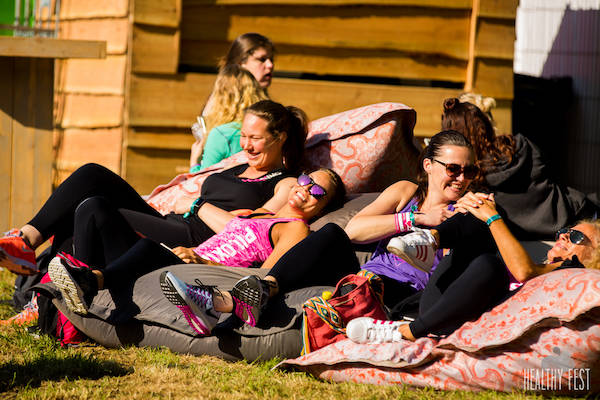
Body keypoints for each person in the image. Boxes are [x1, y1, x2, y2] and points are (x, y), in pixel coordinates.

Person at [162, 131, 479, 333]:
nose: (461, 178)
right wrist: (415, 220)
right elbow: (354, 230)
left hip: (397, 293)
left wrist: (447, 228)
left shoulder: (466, 215)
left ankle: (216, 302)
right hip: (357, 277)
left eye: (470, 171)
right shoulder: (407, 193)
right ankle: (258, 290)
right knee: (331, 234)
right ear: (428, 165)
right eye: (453, 169)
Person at [0, 100, 307, 276]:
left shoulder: (284, 182)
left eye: (256, 138)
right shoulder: (237, 166)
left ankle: (45, 292)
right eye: (244, 135)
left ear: (280, 137)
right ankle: (25, 240)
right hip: (174, 223)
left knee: (93, 207)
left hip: (196, 241)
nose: (246, 145)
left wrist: (200, 206)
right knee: (91, 175)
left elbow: (255, 228)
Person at [47, 169, 344, 324]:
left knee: (150, 249)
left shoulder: (296, 228)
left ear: (322, 208)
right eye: (305, 180)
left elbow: (265, 273)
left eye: (317, 192)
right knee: (93, 206)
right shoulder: (260, 215)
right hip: (182, 257)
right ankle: (73, 305)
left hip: (198, 274)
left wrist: (204, 262)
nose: (304, 190)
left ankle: (90, 283)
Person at [346, 193, 600, 344]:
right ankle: (429, 240)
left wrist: (493, 217)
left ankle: (407, 332)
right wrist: (479, 208)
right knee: (477, 223)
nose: (565, 237)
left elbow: (525, 273)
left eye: (577, 238)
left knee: (491, 264)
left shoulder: (573, 274)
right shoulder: (541, 264)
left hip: (472, 322)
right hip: (443, 311)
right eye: (566, 231)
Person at [441, 97, 599, 239]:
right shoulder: (520, 145)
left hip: (556, 236)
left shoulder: (470, 181)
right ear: (486, 123)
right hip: (578, 211)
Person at [189, 65, 268, 172]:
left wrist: (194, 163)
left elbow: (202, 182)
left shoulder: (221, 134)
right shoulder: (265, 126)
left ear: (221, 97)